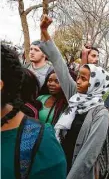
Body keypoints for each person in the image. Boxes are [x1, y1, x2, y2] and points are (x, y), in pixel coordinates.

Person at [39, 15, 109, 179]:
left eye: (83, 79)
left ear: (96, 84)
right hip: (58, 162)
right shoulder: (76, 96)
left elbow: (89, 154)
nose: (77, 82)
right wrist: (44, 31)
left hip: (76, 171)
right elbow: (59, 64)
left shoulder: (100, 113)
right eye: (78, 77)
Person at [1, 44, 66, 179]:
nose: (52, 84)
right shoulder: (41, 97)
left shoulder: (41, 144)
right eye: (30, 49)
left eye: (36, 49)